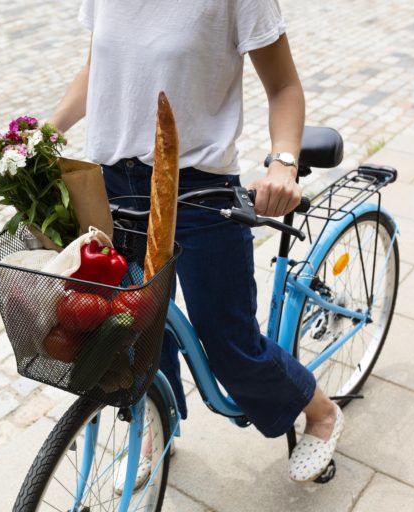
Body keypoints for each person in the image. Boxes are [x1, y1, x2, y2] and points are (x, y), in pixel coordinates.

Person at [46, 0, 342, 484]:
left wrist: (283, 164)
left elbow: (284, 87)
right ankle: (156, 427)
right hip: (113, 189)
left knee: (229, 344)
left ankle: (321, 411)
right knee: (134, 329)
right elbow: (98, 65)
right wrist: (47, 130)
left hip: (198, 190)